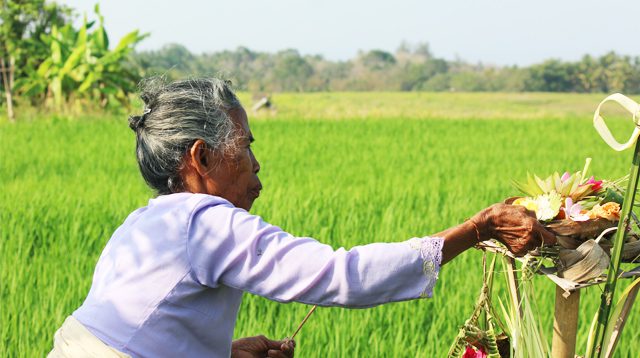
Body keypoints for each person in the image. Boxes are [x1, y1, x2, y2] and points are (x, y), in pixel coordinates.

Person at [48, 78, 556, 358]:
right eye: (245, 146)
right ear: (201, 159)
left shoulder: (140, 226)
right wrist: (477, 229)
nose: (256, 164)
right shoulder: (206, 220)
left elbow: (143, 331)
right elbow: (341, 276)